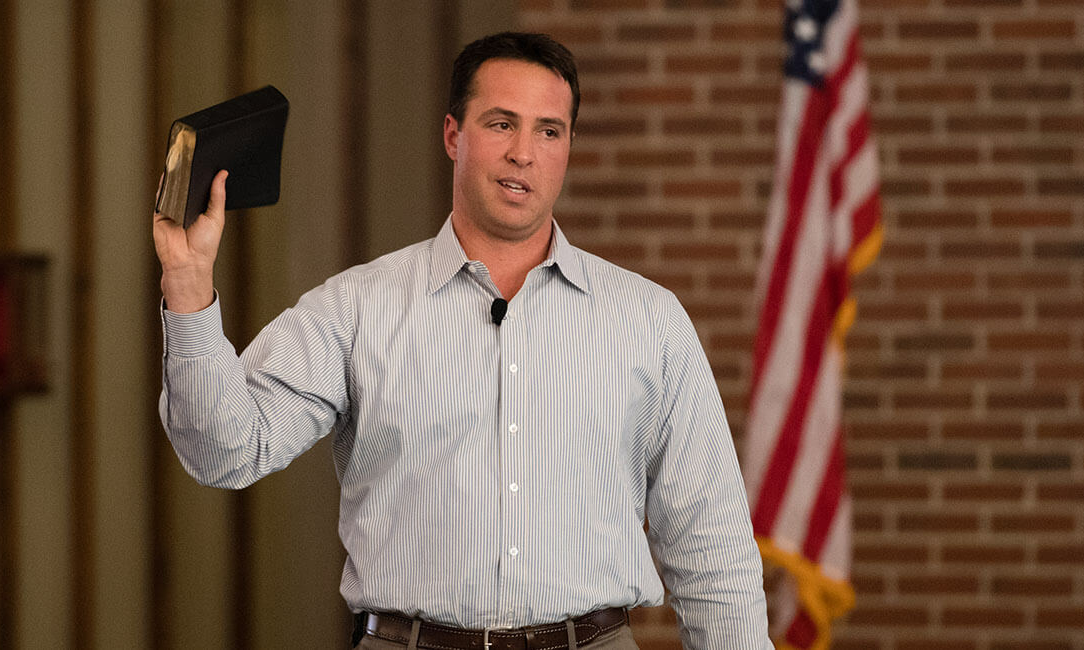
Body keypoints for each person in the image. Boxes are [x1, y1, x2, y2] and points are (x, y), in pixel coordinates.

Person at [153, 32, 770, 649]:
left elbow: (712, 548)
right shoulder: (356, 309)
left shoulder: (648, 321)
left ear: (568, 147)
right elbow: (226, 450)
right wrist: (188, 283)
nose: (523, 153)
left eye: (548, 131)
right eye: (501, 124)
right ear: (453, 135)